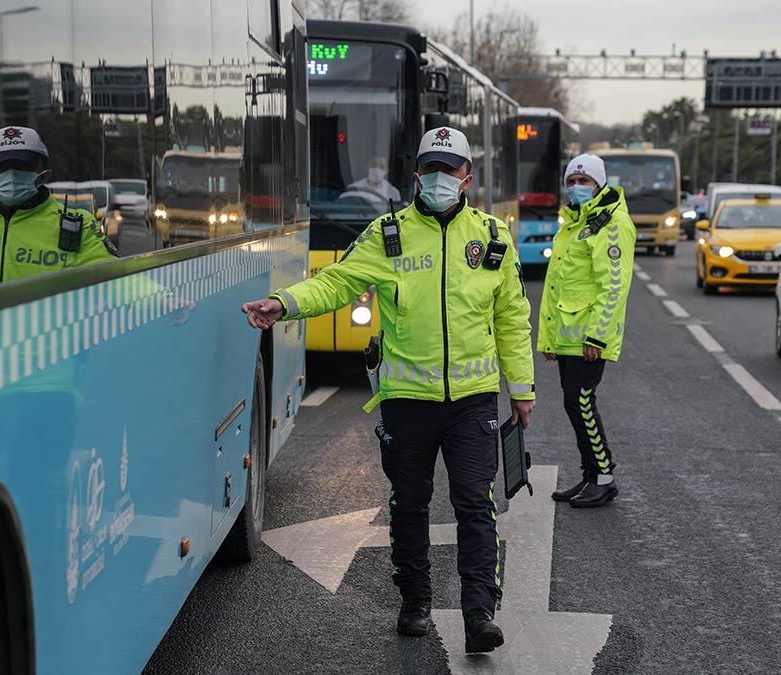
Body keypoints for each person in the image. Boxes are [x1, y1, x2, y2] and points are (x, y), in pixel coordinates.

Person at [241, 127, 535, 654]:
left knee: (475, 503)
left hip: (472, 399)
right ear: (416, 174)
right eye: (430, 168)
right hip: (407, 401)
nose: (439, 178)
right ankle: (415, 600)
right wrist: (284, 303)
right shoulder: (387, 234)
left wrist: (522, 387)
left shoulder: (492, 238)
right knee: (409, 504)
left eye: (449, 169)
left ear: (467, 178)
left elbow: (512, 316)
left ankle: (479, 613)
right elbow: (337, 282)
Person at [538, 153, 636, 508]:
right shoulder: (575, 222)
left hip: (588, 337)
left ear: (600, 184)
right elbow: (559, 284)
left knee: (580, 402)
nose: (577, 187)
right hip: (569, 334)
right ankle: (591, 474)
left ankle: (604, 477)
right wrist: (549, 338)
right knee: (574, 404)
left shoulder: (612, 223)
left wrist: (598, 334)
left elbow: (614, 286)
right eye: (572, 182)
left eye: (585, 181)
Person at [0, 126, 118, 293]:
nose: (12, 174)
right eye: (2, 166)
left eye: (22, 166)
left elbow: (113, 289)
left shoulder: (79, 228)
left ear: (44, 175)